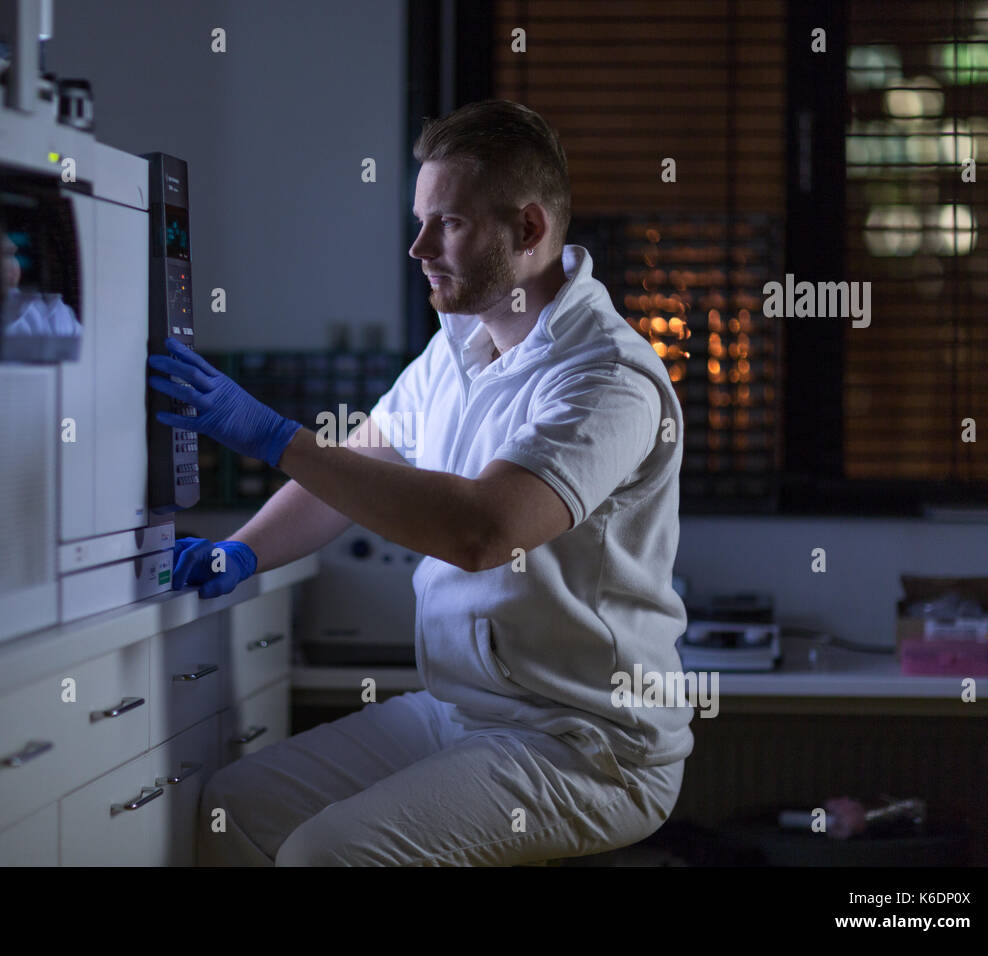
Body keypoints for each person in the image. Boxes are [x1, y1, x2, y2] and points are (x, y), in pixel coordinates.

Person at [147, 99, 691, 867]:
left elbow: (483, 532)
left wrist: (273, 435)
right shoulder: (459, 348)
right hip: (463, 712)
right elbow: (356, 471)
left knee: (323, 856)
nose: (418, 247)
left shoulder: (607, 376)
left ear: (528, 231)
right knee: (232, 812)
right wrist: (240, 552)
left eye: (450, 224)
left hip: (585, 742)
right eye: (421, 219)